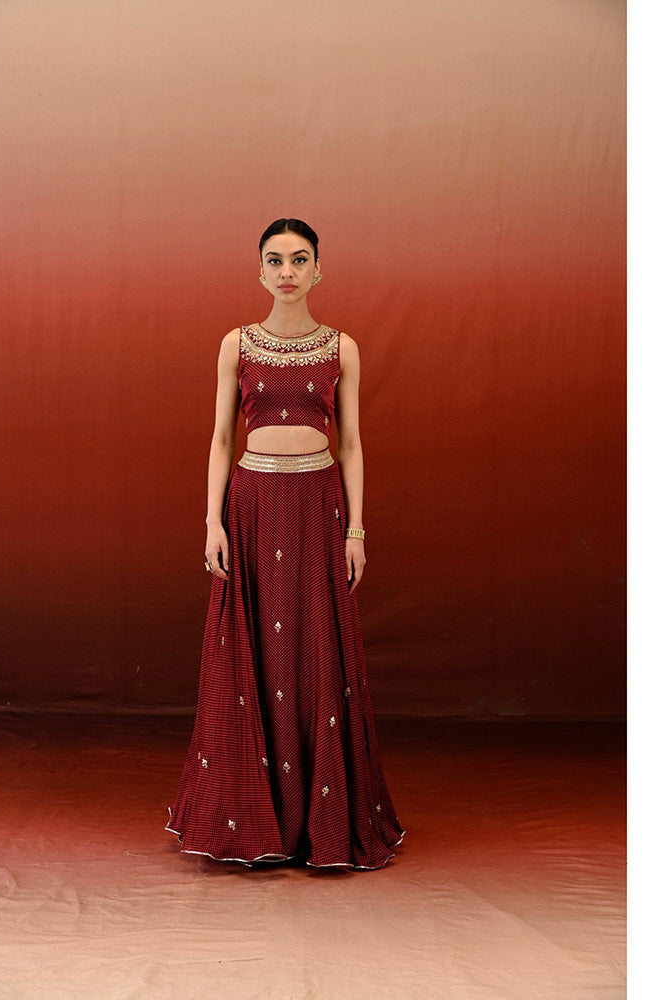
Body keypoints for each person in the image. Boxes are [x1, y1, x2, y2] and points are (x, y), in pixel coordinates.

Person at [164, 218, 405, 869]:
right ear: (261, 272)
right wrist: (211, 522)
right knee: (256, 651)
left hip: (318, 506)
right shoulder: (237, 344)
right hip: (253, 507)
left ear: (319, 269)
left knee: (314, 648)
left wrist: (356, 529)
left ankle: (317, 822)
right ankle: (255, 819)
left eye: (300, 259)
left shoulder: (342, 348)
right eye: (275, 260)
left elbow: (351, 444)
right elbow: (221, 438)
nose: (288, 271)